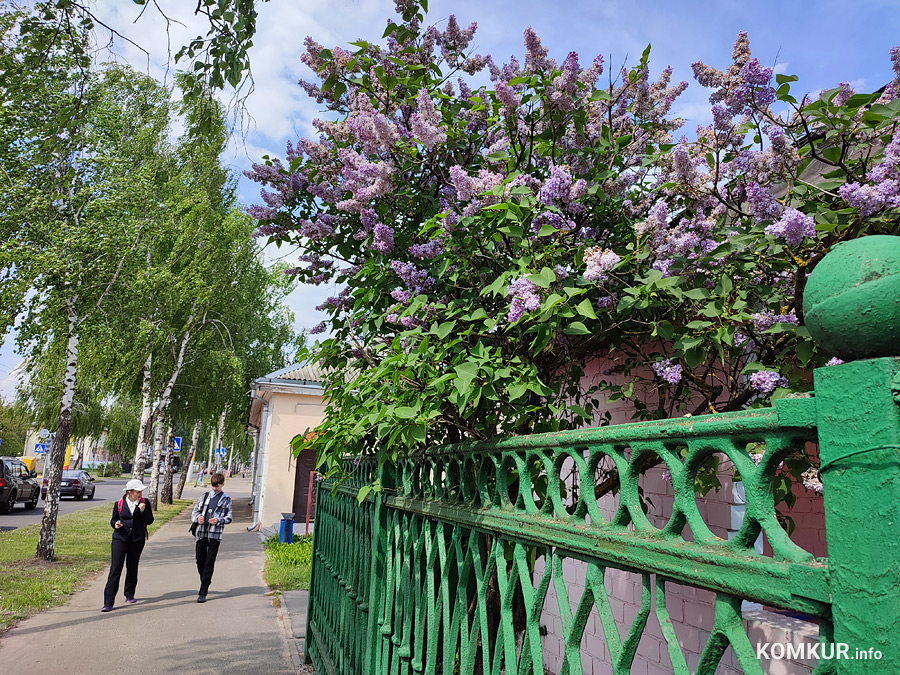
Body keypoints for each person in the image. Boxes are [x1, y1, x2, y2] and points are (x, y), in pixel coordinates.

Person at [102, 479, 154, 611]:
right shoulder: (119, 504)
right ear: (129, 492)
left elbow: (150, 520)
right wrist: (115, 524)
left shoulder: (145, 503)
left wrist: (143, 511)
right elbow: (113, 519)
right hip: (120, 538)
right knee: (115, 568)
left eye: (141, 491)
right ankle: (108, 602)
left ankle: (129, 593)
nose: (140, 494)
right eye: (137, 491)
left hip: (137, 539)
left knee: (132, 566)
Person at [191, 472, 233, 603]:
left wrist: (218, 520)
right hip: (201, 532)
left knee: (209, 562)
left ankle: (203, 591)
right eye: (213, 486)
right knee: (199, 560)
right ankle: (205, 579)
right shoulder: (204, 496)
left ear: (222, 484)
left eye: (217, 486)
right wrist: (198, 518)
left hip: (215, 534)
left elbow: (229, 517)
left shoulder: (226, 499)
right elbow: (195, 511)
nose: (215, 488)